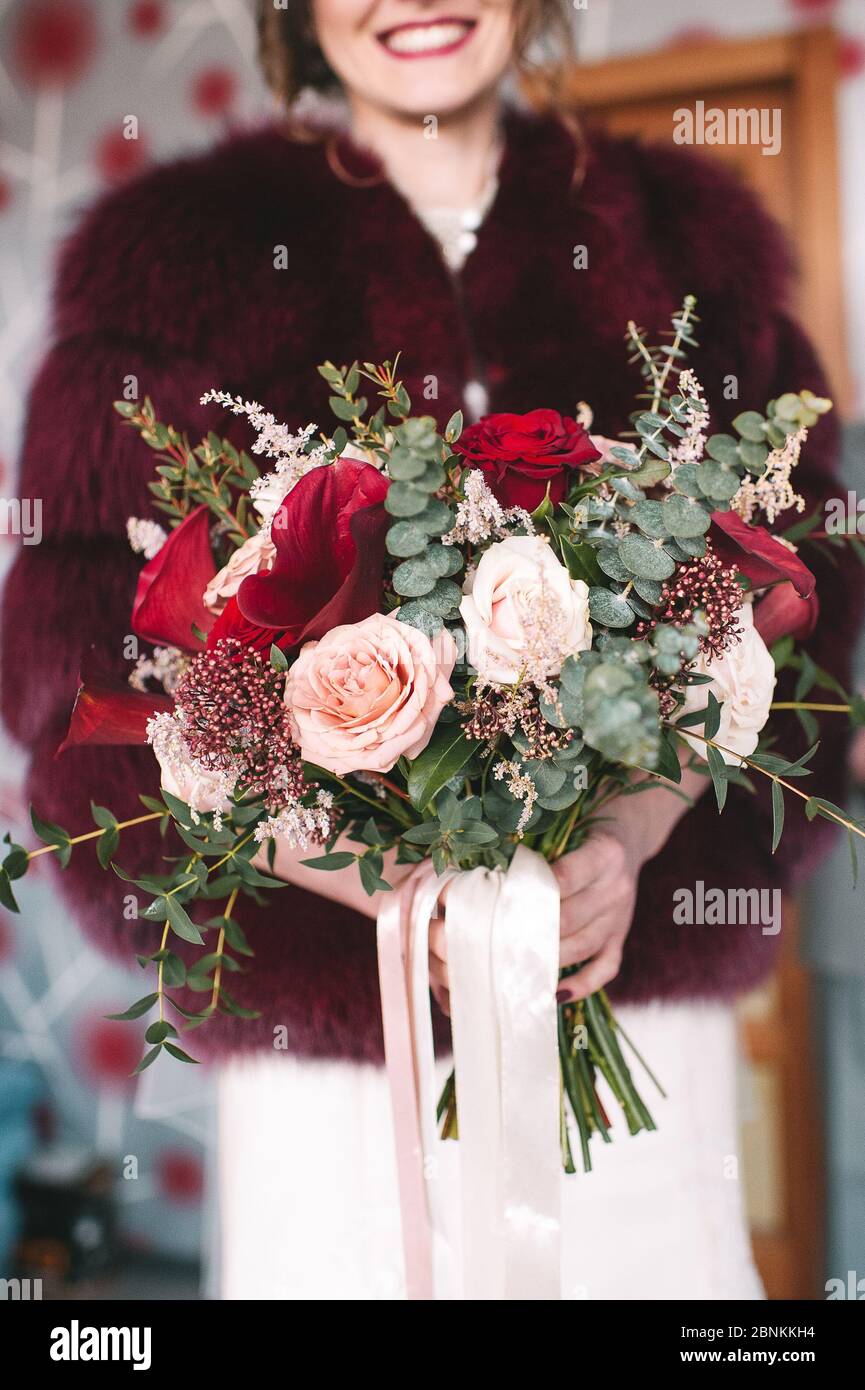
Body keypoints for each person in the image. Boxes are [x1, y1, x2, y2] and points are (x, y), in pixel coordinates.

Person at [2, 0, 858, 1299]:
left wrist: (625, 830)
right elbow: (83, 689)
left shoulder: (689, 246)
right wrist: (392, 889)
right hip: (328, 1071)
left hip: (632, 1025)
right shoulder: (172, 263)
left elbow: (805, 621)